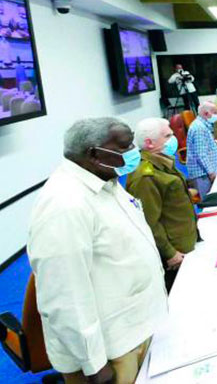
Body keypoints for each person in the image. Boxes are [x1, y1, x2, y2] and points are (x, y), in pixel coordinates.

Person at [28, 117, 167, 384]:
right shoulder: (64, 204)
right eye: (125, 147)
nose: (134, 153)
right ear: (94, 154)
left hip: (134, 328)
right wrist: (93, 365)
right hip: (109, 351)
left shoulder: (106, 181)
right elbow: (64, 296)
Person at [126, 117, 199, 290]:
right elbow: (149, 222)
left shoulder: (163, 161)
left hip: (186, 240)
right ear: (150, 143)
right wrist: (170, 253)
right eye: (168, 136)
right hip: (176, 253)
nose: (173, 139)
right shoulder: (146, 176)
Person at [187, 101, 217, 199]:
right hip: (202, 175)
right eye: (215, 112)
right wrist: (211, 173)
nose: (216, 115)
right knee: (208, 202)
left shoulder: (202, 125)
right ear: (206, 114)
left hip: (205, 173)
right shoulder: (199, 128)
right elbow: (201, 154)